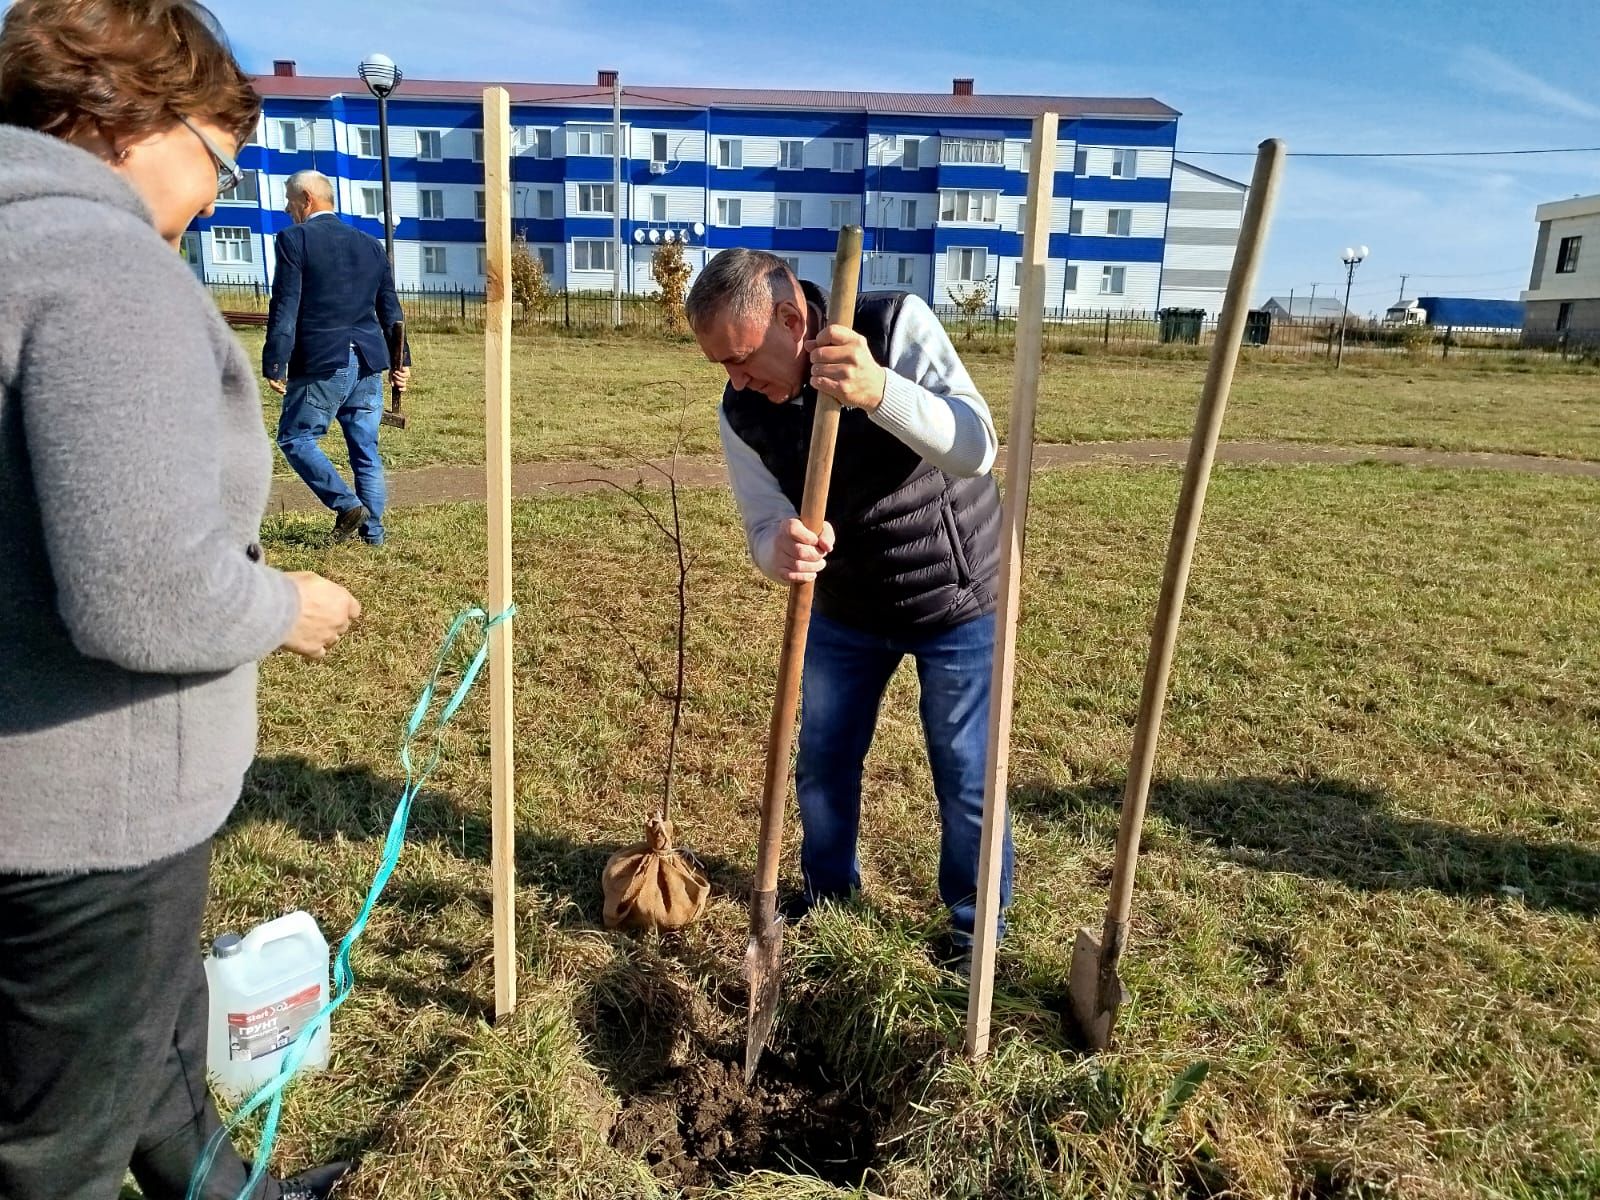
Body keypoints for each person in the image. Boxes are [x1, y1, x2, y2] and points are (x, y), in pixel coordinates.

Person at [0, 2, 360, 1197]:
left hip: (34, 799)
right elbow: (141, 592)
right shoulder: (106, 274)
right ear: (126, 112)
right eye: (217, 155)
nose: (217, 193)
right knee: (59, 1147)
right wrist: (283, 604)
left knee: (145, 1050)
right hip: (86, 821)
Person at [686, 249, 1011, 971]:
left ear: (793, 319)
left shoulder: (894, 324)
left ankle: (973, 931)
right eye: (721, 367)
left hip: (956, 592)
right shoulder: (743, 412)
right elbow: (761, 525)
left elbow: (976, 446)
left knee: (966, 770)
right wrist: (784, 552)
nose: (736, 380)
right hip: (845, 605)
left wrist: (878, 391)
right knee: (824, 760)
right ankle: (827, 897)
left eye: (740, 357)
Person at [263, 168, 410, 546]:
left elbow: (285, 306)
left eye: (289, 200)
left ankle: (346, 504)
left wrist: (276, 360)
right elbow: (391, 310)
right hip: (368, 362)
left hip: (323, 360)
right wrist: (400, 361)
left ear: (306, 200)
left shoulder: (294, 240)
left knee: (295, 438)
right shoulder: (370, 244)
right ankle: (373, 536)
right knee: (365, 450)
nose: (286, 208)